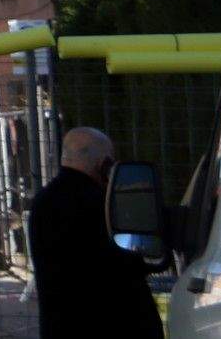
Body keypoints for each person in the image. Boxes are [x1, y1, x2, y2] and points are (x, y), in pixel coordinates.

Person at [30, 126, 161, 339]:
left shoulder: (42, 202)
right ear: (105, 164)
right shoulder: (103, 205)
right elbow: (127, 262)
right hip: (111, 326)